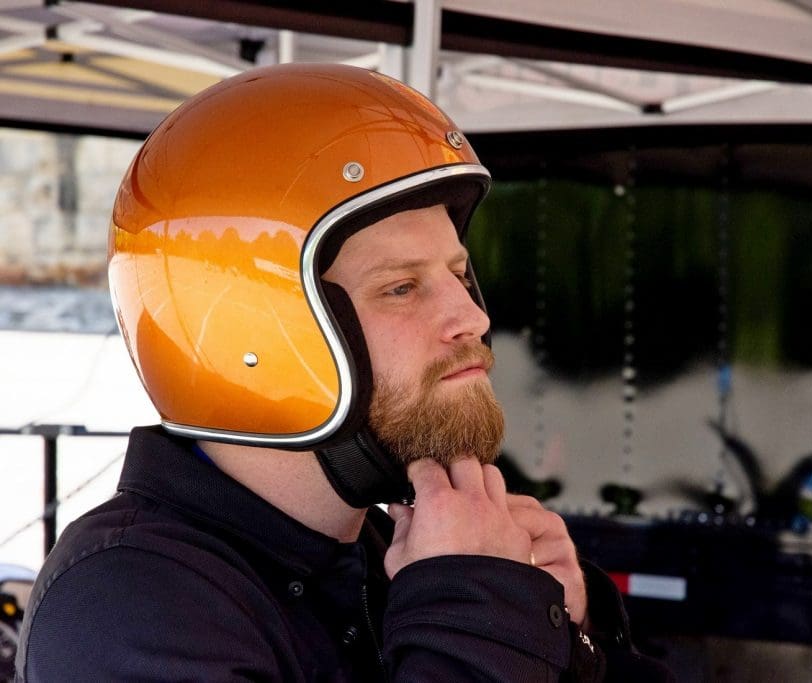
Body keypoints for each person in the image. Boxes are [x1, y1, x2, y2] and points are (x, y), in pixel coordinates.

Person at [16, 63, 673, 681]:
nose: (469, 315)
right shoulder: (126, 605)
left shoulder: (390, 552)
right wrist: (480, 617)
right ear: (257, 333)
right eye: (402, 288)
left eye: (455, 273)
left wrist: (575, 636)